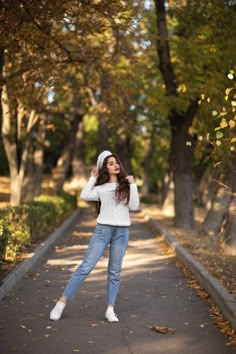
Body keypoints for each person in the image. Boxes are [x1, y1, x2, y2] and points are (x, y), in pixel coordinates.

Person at [49, 150, 139, 323]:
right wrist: (92, 178)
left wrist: (133, 184)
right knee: (86, 266)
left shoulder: (126, 186)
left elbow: (134, 206)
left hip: (122, 232)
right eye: (110, 163)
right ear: (105, 168)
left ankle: (110, 309)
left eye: (116, 162)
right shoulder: (100, 189)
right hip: (103, 230)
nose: (115, 165)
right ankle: (61, 302)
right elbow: (84, 195)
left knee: (115, 272)